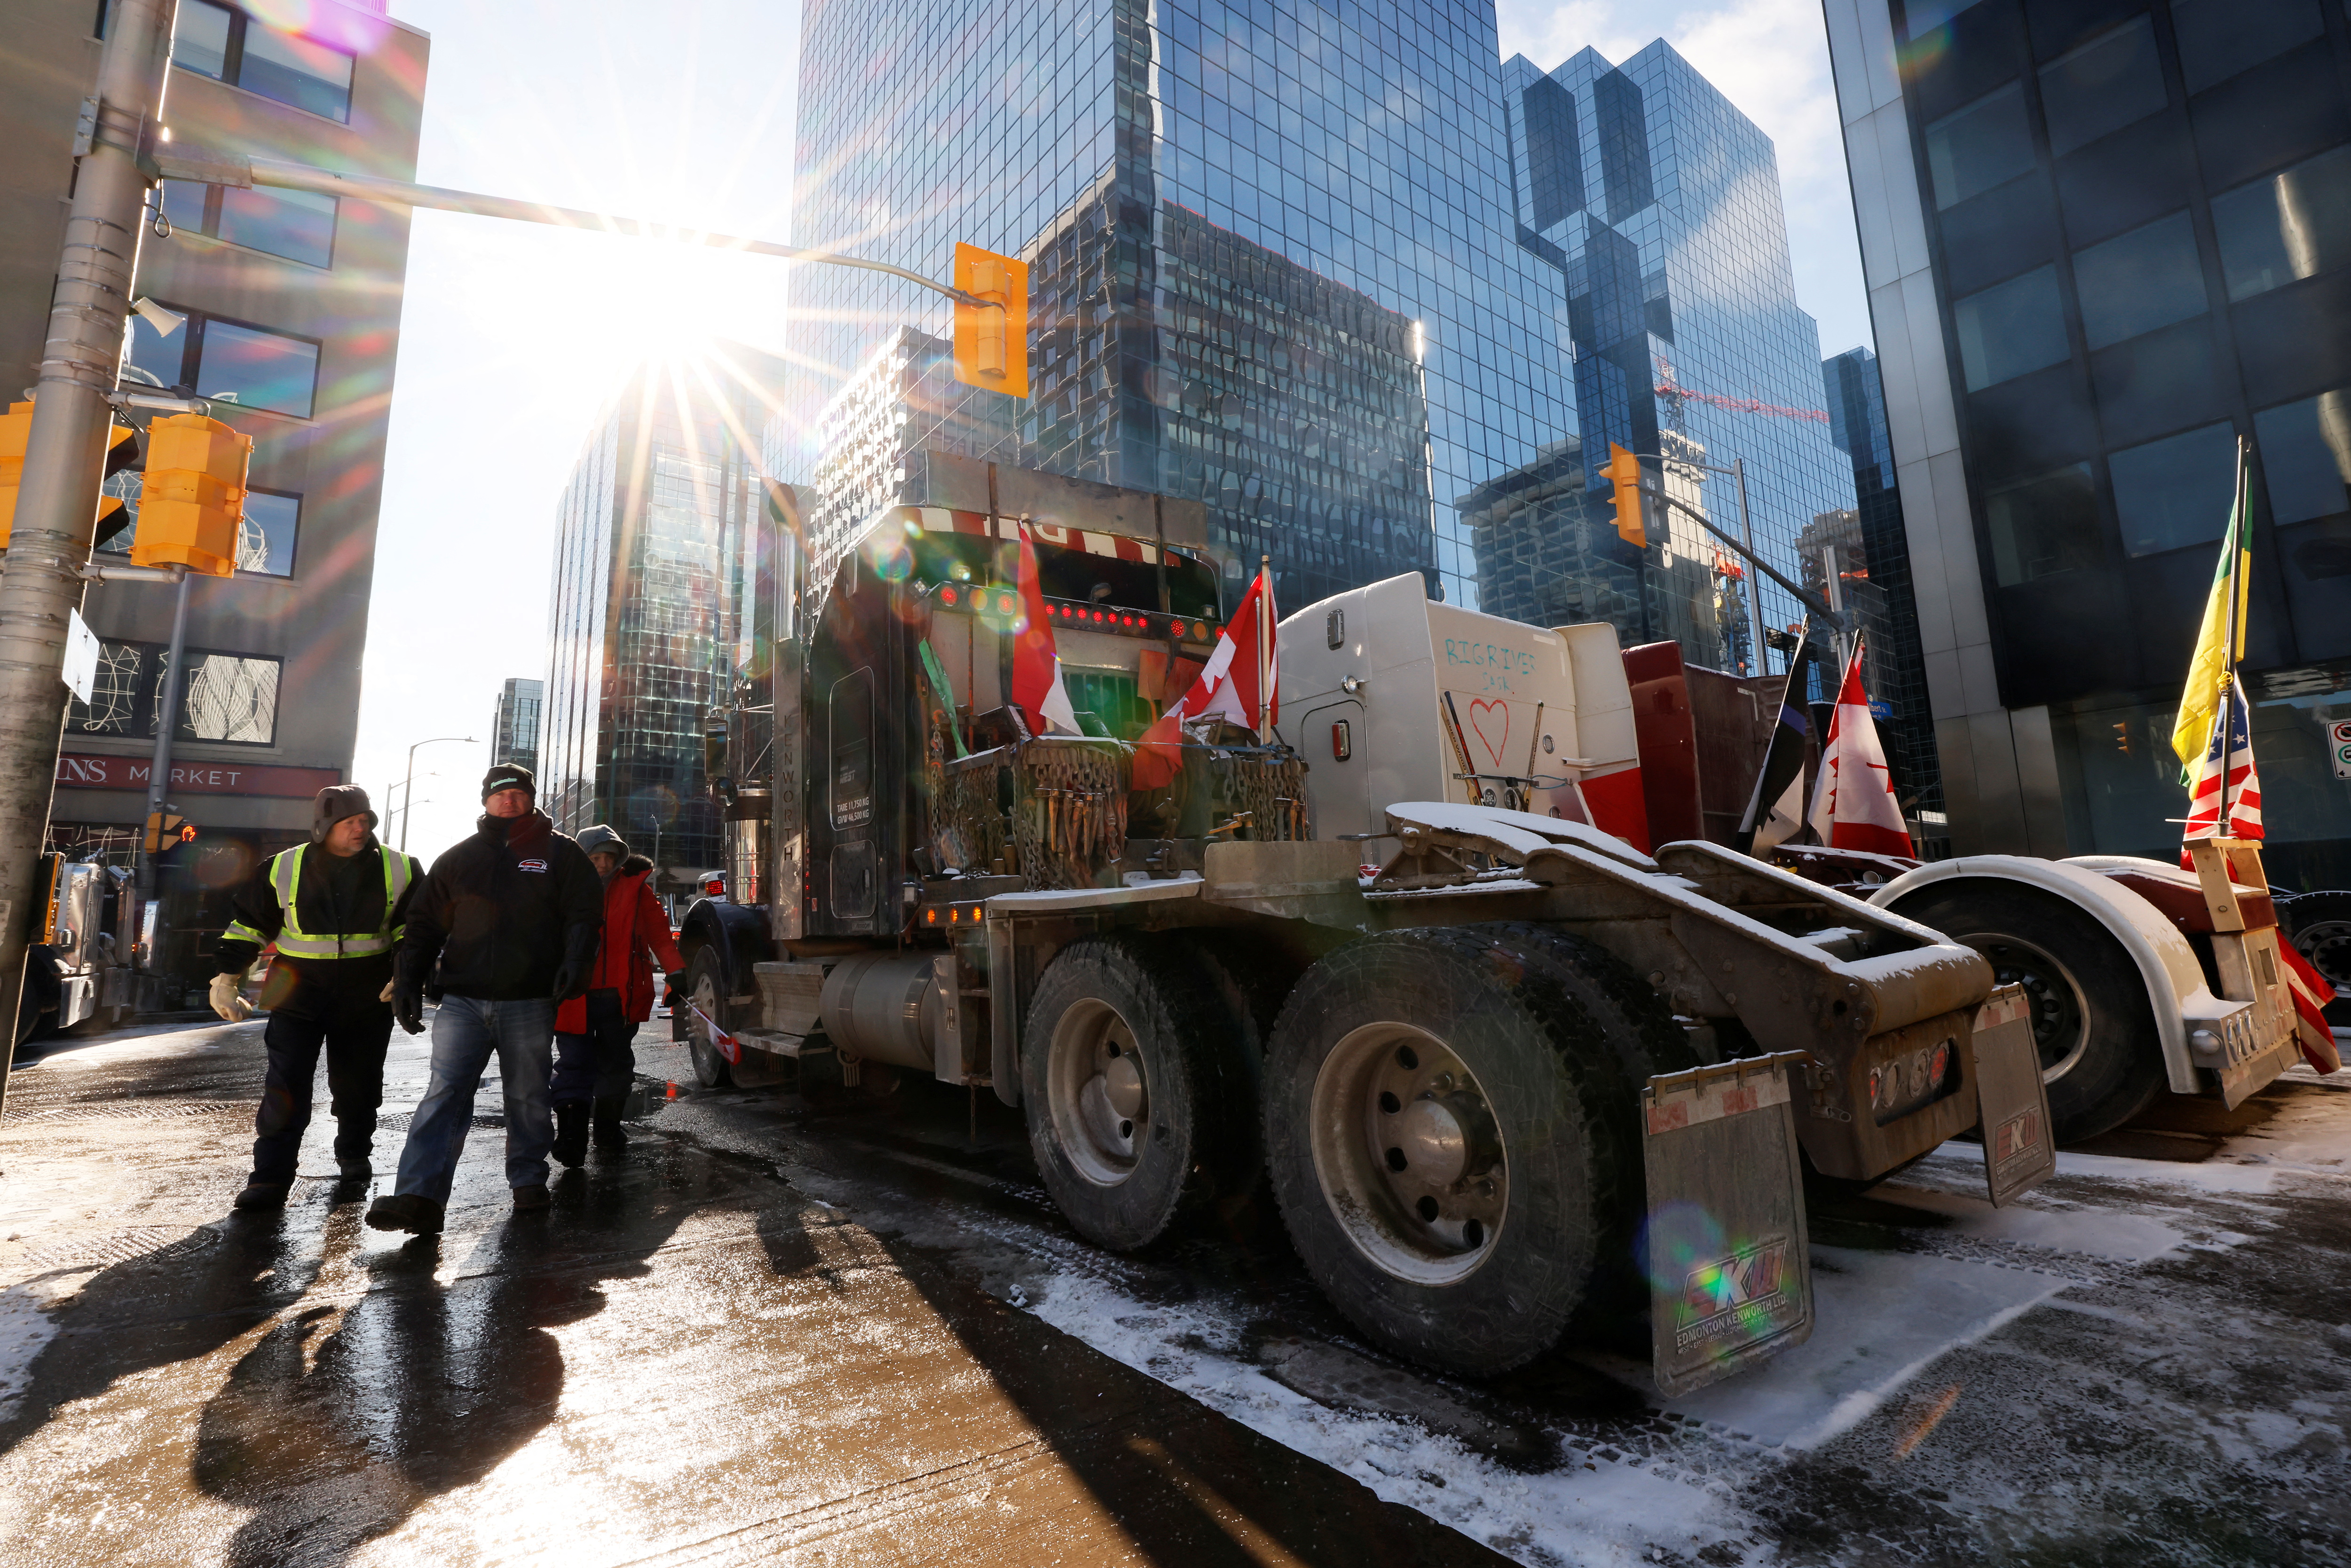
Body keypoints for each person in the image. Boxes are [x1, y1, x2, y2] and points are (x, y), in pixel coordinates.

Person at [364, 764, 601, 1235]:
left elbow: (584, 913)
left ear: (531, 798)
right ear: (485, 800)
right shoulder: (458, 858)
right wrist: (408, 978)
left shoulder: (561, 852)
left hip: (530, 998)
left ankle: (529, 1179)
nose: (508, 801)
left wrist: (577, 961)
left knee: (528, 1094)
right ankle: (420, 1196)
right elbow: (424, 924)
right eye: (500, 794)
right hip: (462, 1000)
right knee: (444, 1094)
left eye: (518, 793)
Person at [214, 785, 425, 1210]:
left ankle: (353, 1155)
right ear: (324, 826)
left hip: (368, 995)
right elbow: (250, 925)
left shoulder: (401, 867)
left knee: (358, 1086)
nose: (361, 828)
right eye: (350, 822)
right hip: (297, 993)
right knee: (286, 1086)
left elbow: (414, 930)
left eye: (365, 820)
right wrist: (226, 978)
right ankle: (270, 1179)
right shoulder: (282, 867)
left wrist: (406, 975)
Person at [550, 826, 686, 1165]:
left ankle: (608, 1131)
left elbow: (659, 932)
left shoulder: (636, 888)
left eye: (609, 857)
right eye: (596, 857)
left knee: (616, 1064)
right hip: (572, 995)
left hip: (620, 997)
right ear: (583, 857)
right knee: (573, 1065)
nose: (603, 864)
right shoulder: (562, 885)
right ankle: (571, 1138)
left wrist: (677, 973)